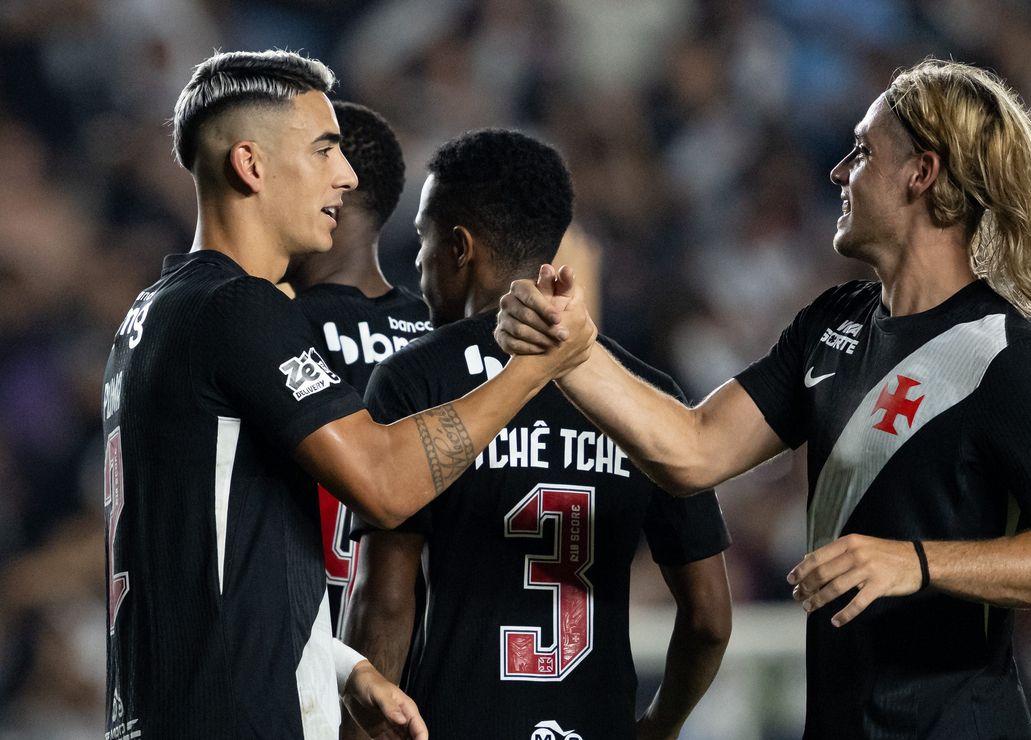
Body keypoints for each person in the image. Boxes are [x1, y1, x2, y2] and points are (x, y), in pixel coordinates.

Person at [496, 59, 1031, 738]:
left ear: (923, 173)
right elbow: (693, 447)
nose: (839, 172)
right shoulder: (833, 323)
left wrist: (914, 562)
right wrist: (572, 351)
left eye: (863, 152)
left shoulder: (1006, 356)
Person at [101, 50, 589, 740]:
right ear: (251, 164)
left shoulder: (147, 319)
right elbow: (385, 483)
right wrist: (533, 368)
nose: (347, 174)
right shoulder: (237, 306)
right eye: (325, 148)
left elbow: (203, 579)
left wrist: (338, 667)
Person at [343, 129, 733, 740]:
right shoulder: (648, 399)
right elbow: (709, 618)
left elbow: (384, 603)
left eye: (422, 238)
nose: (417, 262)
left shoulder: (413, 379)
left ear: (459, 246)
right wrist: (659, 725)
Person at [284, 100, 432, 635]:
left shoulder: (271, 330)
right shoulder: (445, 338)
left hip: (308, 649)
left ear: (334, 193)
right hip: (422, 654)